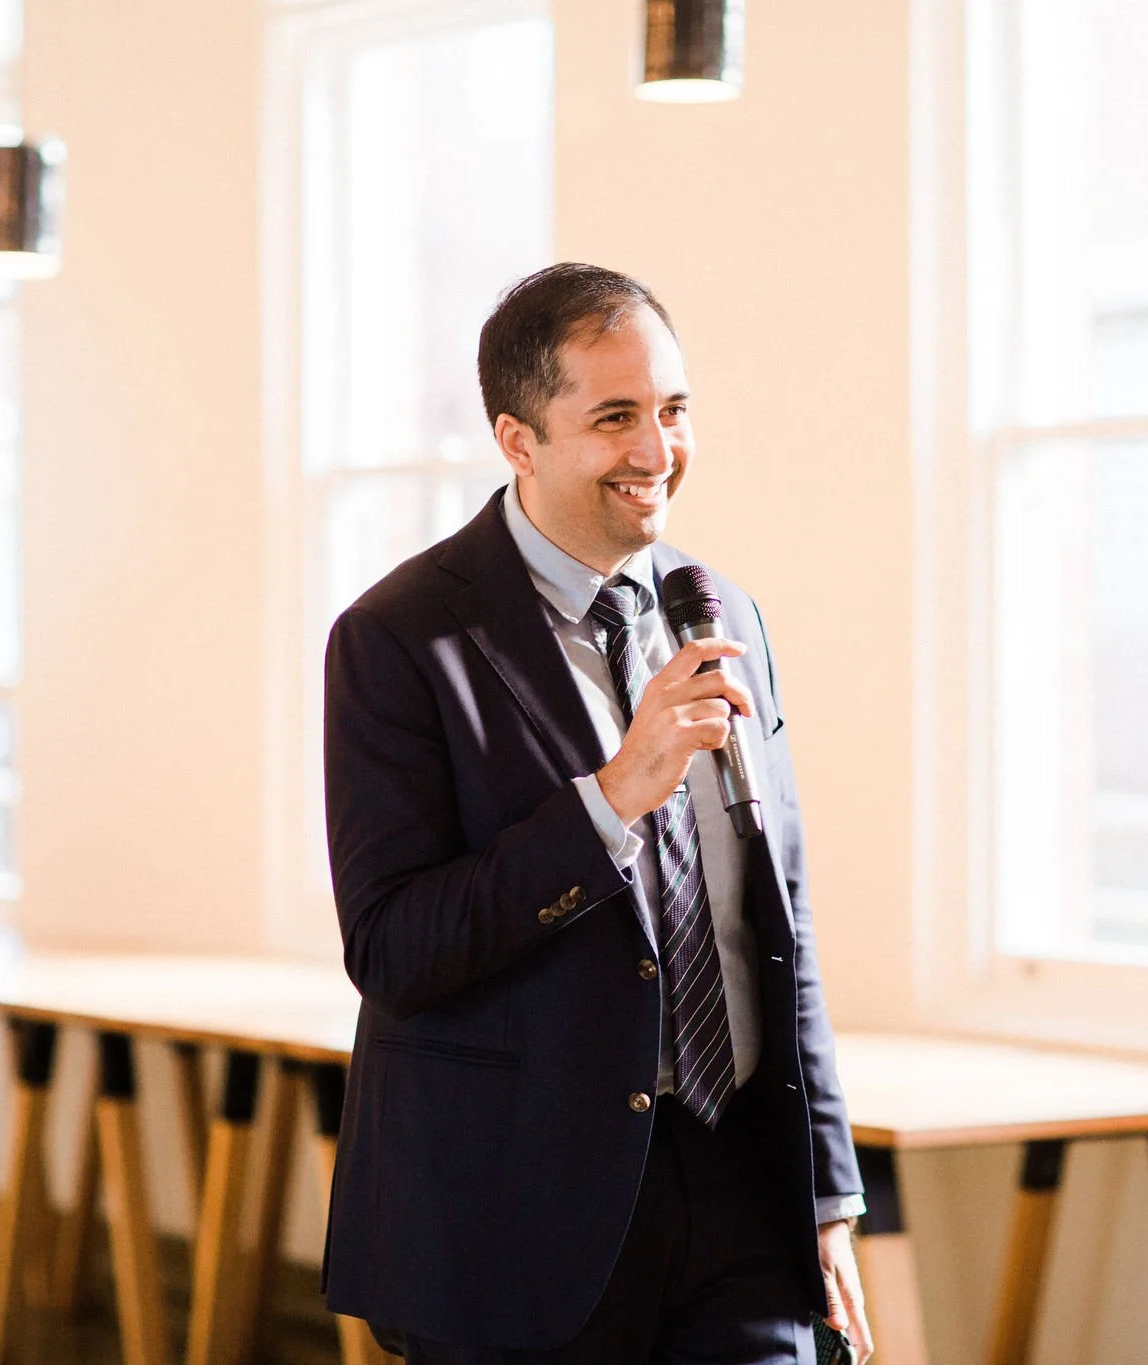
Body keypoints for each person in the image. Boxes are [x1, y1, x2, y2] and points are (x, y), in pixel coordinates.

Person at [319, 262, 873, 1364]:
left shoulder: (723, 612)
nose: (657, 450)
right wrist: (612, 797)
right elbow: (394, 948)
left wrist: (824, 1193)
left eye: (673, 410)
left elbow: (777, 921)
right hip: (518, 1212)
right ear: (517, 440)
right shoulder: (399, 639)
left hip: (737, 1187)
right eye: (615, 417)